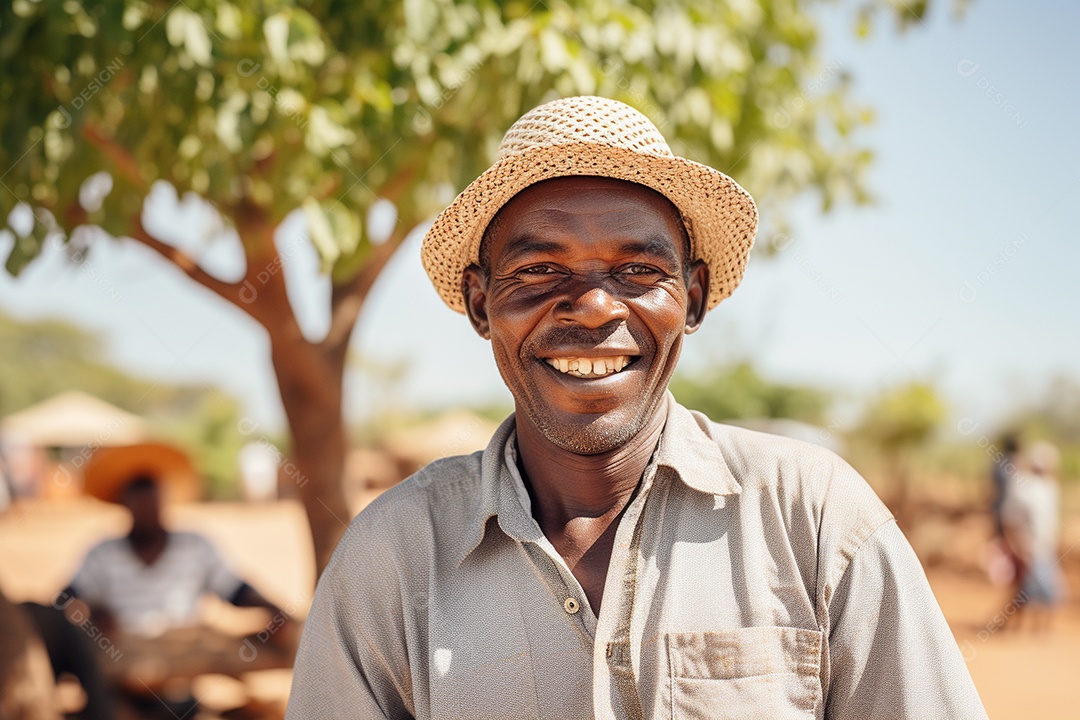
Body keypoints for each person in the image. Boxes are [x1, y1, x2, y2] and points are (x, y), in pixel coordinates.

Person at [287, 96, 986, 718]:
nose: (595, 307)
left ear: (694, 298)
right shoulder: (394, 557)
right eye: (539, 270)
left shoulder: (814, 517)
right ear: (480, 303)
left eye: (639, 271)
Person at [61, 469, 298, 716]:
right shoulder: (102, 552)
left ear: (163, 503)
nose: (146, 510)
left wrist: (276, 611)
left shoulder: (195, 544)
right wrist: (91, 615)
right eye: (139, 503)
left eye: (152, 502)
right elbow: (66, 597)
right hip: (124, 646)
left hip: (185, 644)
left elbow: (235, 590)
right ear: (125, 505)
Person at [1002, 441, 1065, 631]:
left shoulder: (1050, 488)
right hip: (1029, 548)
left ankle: (1037, 628)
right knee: (1028, 590)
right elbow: (1012, 520)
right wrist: (1019, 546)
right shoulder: (1024, 487)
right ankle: (1012, 626)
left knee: (1041, 590)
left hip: (1045, 547)